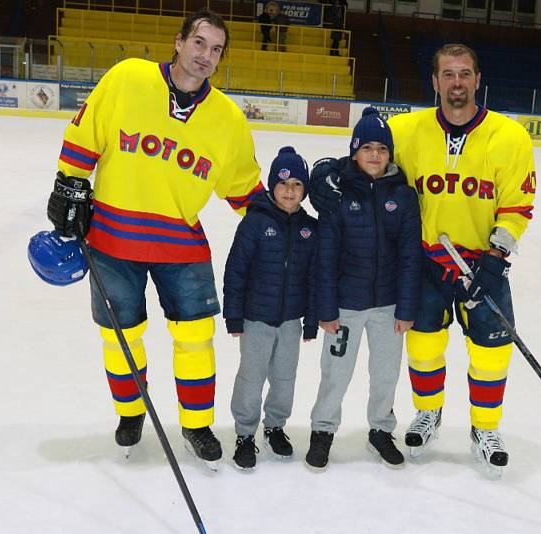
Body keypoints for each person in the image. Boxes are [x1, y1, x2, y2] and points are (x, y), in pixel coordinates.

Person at [45, 9, 265, 470]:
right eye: (200, 43)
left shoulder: (226, 118)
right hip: (111, 239)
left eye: (216, 50)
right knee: (120, 337)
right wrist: (69, 181)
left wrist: (284, 225)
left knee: (196, 338)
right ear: (178, 42)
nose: (206, 55)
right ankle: (131, 415)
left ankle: (197, 423)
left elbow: (244, 189)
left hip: (180, 245)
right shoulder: (128, 78)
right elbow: (87, 133)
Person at [309, 44, 536, 478]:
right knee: (423, 347)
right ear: (435, 82)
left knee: (492, 351)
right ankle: (428, 413)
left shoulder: (509, 136)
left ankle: (484, 428)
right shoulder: (407, 129)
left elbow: (517, 205)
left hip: (482, 265)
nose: (456, 82)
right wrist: (325, 175)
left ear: (477, 79)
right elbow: (366, 162)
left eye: (464, 74)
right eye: (448, 74)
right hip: (426, 262)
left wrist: (495, 259)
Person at [305, 107, 422, 471]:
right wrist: (326, 308)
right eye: (367, 147)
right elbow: (326, 256)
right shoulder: (338, 195)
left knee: (386, 372)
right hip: (346, 307)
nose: (375, 155)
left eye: (382, 149)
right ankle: (323, 430)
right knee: (336, 372)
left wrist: (406, 308)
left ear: (390, 154)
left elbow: (409, 255)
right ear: (354, 151)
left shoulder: (402, 197)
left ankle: (381, 430)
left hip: (388, 306)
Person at [224, 147, 319, 471]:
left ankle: (275, 426)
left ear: (304, 189)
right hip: (256, 319)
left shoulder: (310, 228)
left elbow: (313, 276)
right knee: (251, 377)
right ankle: (245, 433)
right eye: (283, 183)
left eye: (296, 184)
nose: (290, 191)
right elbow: (236, 269)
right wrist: (234, 315)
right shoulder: (255, 222)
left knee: (284, 378)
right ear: (271, 186)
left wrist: (311, 319)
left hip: (291, 320)